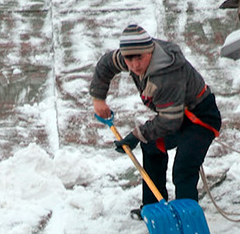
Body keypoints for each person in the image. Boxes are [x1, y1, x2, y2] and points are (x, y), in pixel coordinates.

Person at [90, 24, 222, 217]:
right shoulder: (130, 57)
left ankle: (188, 219)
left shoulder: (167, 74)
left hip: (200, 117)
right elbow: (106, 64)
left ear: (150, 51)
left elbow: (170, 122)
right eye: (129, 59)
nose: (135, 65)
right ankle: (154, 210)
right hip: (176, 114)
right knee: (151, 145)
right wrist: (98, 99)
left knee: (183, 168)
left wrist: (136, 135)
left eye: (139, 58)